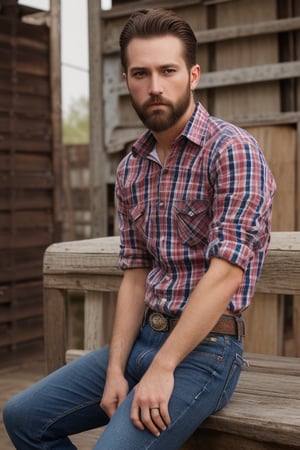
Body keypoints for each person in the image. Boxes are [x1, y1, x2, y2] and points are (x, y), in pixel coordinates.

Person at [3, 8, 276, 450]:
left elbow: (225, 273)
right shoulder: (131, 168)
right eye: (140, 73)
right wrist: (116, 368)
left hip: (205, 353)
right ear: (126, 80)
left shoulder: (233, 150)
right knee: (22, 418)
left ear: (193, 75)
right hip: (141, 342)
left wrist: (163, 367)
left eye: (168, 70)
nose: (155, 86)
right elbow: (134, 275)